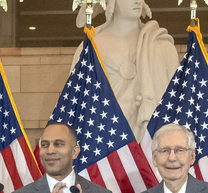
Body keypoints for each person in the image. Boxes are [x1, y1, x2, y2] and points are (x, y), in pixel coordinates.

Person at [76, 0, 178, 141]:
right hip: (106, 138)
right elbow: (79, 101)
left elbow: (176, 102)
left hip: (152, 140)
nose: (137, 1)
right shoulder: (93, 46)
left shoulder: (161, 45)